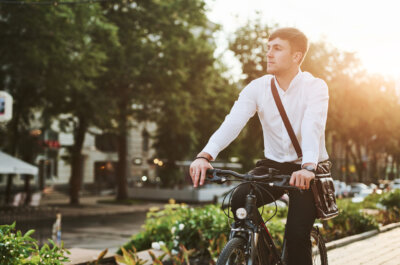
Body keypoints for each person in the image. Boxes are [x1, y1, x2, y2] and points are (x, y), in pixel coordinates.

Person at [189, 27, 329, 265]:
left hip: (307, 168)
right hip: (273, 165)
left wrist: (308, 167)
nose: (269, 54)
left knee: (296, 237)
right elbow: (232, 123)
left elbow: (311, 127)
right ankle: (260, 252)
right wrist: (205, 155)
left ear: (296, 56)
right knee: (239, 199)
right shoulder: (258, 87)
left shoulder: (315, 87)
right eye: (268, 48)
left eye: (277, 48)